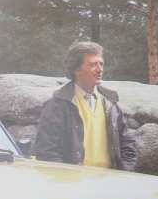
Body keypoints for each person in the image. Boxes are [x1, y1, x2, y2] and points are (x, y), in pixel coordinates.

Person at [34, 41, 136, 170]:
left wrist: (125, 173)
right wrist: (66, 178)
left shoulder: (111, 104)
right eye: (93, 64)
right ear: (76, 69)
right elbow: (46, 151)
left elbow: (127, 145)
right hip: (73, 180)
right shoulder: (57, 106)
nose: (100, 69)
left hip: (109, 180)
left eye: (101, 64)